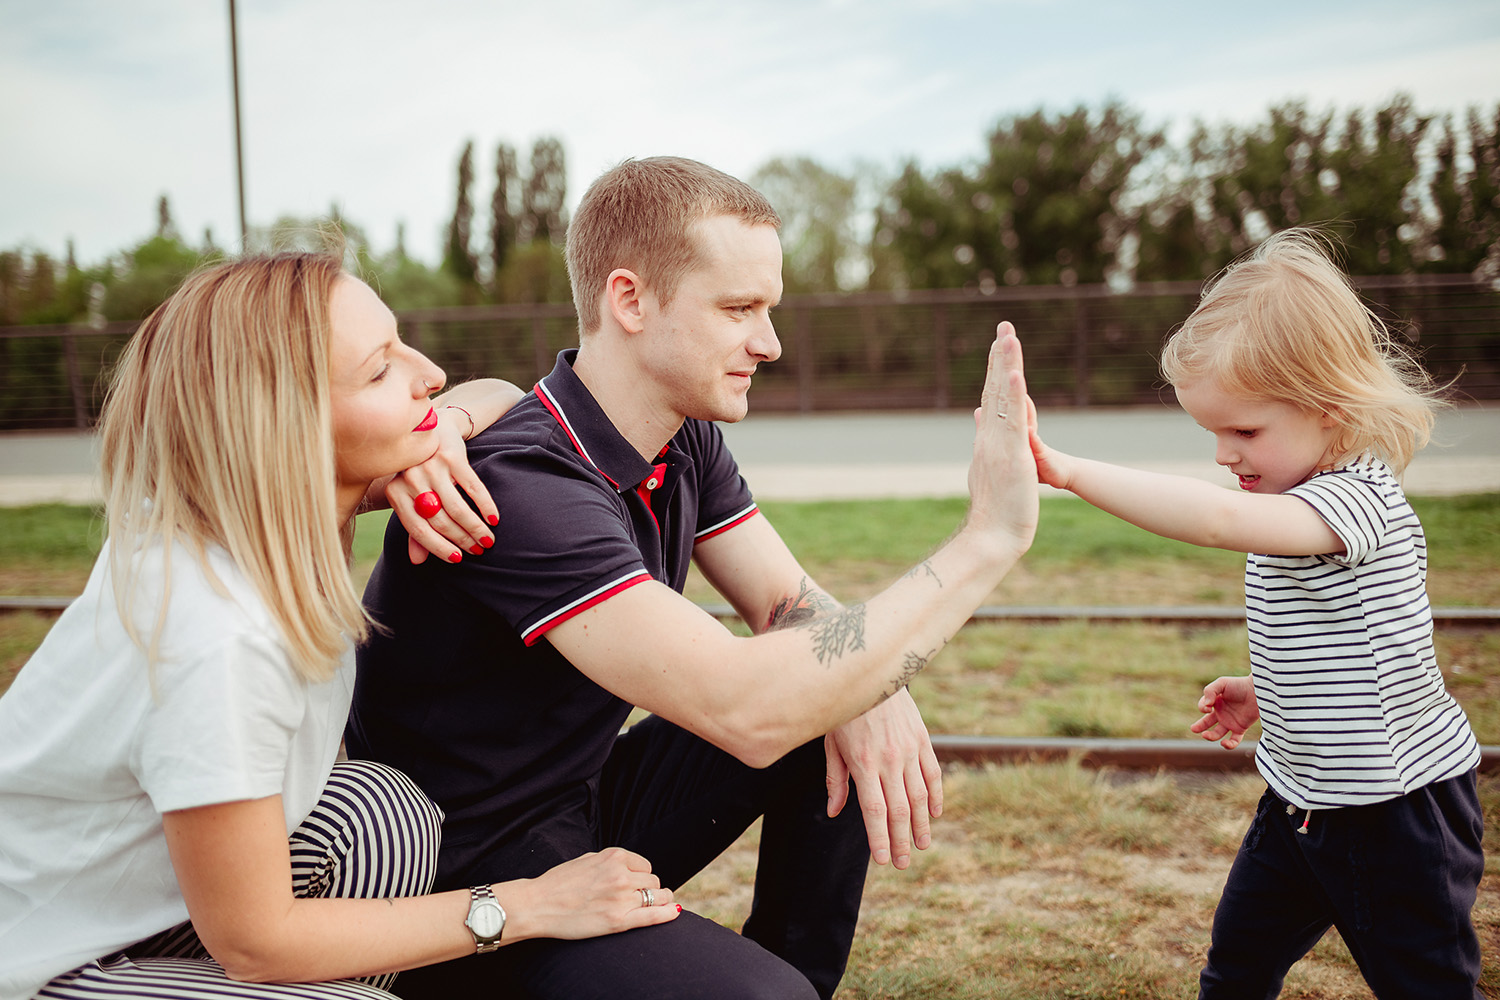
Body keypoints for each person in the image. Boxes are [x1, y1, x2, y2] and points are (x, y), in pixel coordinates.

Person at [345, 156, 1040, 1000]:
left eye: (769, 308)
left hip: (582, 809)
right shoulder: (523, 485)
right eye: (738, 309)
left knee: (837, 700)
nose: (769, 342)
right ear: (630, 300)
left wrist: (874, 689)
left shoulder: (681, 438)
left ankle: (797, 980)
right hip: (466, 890)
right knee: (813, 699)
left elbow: (789, 606)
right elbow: (745, 709)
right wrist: (986, 539)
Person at [0, 251, 687, 1000]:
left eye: (401, 345)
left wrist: (442, 426)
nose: (427, 372)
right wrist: (525, 905)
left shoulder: (249, 516)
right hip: (31, 957)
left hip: (129, 911)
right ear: (289, 427)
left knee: (384, 815)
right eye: (378, 372)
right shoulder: (217, 633)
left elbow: (500, 392)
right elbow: (257, 940)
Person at [1028, 228, 1483, 999]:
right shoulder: (1294, 493)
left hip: (1393, 817)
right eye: (1211, 432)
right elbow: (1354, 643)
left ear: (1330, 410)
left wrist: (1069, 471)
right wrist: (1269, 687)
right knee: (1235, 968)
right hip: (1299, 801)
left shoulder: (1355, 500)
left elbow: (1213, 523)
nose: (1222, 455)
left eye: (1243, 431)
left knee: (1426, 987)